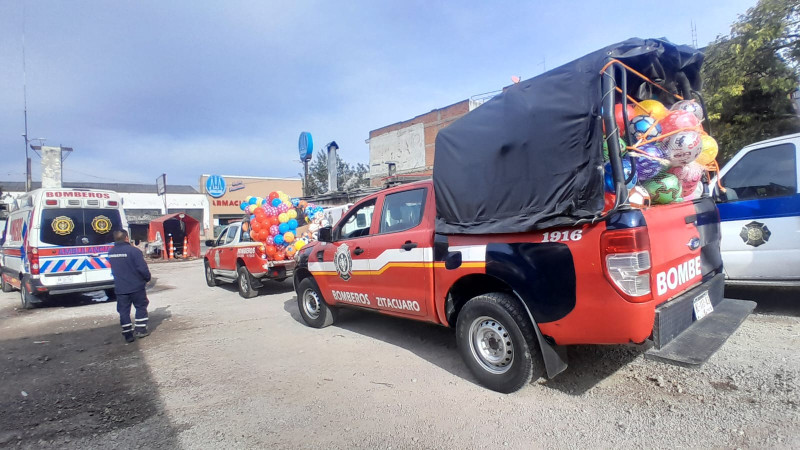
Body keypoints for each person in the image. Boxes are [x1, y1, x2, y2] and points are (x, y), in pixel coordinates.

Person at [107, 229, 152, 343]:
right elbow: (142, 268)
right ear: (126, 237)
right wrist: (147, 278)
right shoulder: (134, 251)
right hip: (136, 286)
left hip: (121, 288)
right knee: (141, 306)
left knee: (123, 311)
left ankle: (127, 333)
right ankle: (140, 330)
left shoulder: (111, 252)